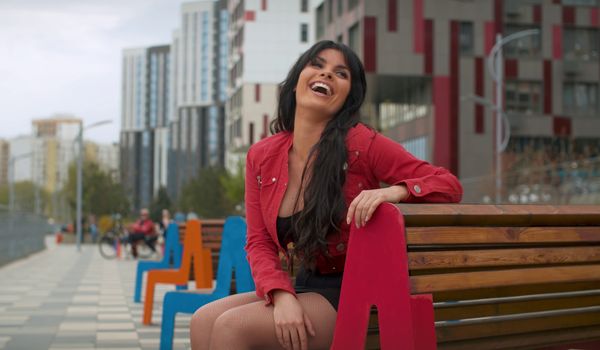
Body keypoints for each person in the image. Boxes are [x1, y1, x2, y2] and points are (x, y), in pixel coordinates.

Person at [189, 40, 463, 350]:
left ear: (347, 98)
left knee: (232, 328)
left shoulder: (363, 144)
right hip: (305, 284)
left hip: (357, 293)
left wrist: (395, 191)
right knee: (202, 319)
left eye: (340, 73)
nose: (327, 74)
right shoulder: (262, 155)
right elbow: (259, 242)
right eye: (317, 65)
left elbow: (447, 184)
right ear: (296, 82)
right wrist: (282, 296)